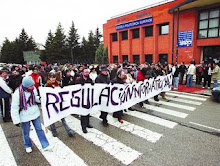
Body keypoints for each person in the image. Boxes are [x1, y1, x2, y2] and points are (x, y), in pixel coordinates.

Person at [11, 76, 52, 153]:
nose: (33, 87)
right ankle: (27, 145)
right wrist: (16, 120)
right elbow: (14, 107)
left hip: (34, 112)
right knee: (26, 132)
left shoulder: (34, 89)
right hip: (24, 115)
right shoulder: (17, 93)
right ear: (25, 86)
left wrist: (39, 99)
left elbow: (34, 97)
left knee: (39, 129)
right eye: (31, 86)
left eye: (33, 85)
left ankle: (45, 145)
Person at [45, 72, 75, 137]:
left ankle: (69, 130)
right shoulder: (46, 85)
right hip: (51, 105)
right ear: (49, 78)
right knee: (52, 119)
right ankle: (53, 131)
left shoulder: (58, 83)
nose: (53, 79)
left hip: (59, 104)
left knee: (62, 118)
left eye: (54, 77)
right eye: (51, 77)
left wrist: (62, 88)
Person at [76, 68, 94, 133]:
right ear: (83, 73)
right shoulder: (79, 80)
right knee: (83, 113)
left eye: (88, 72)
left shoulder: (90, 80)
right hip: (81, 99)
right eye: (85, 72)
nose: (87, 73)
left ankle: (87, 123)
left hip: (88, 98)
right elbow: (74, 88)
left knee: (88, 112)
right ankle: (83, 126)